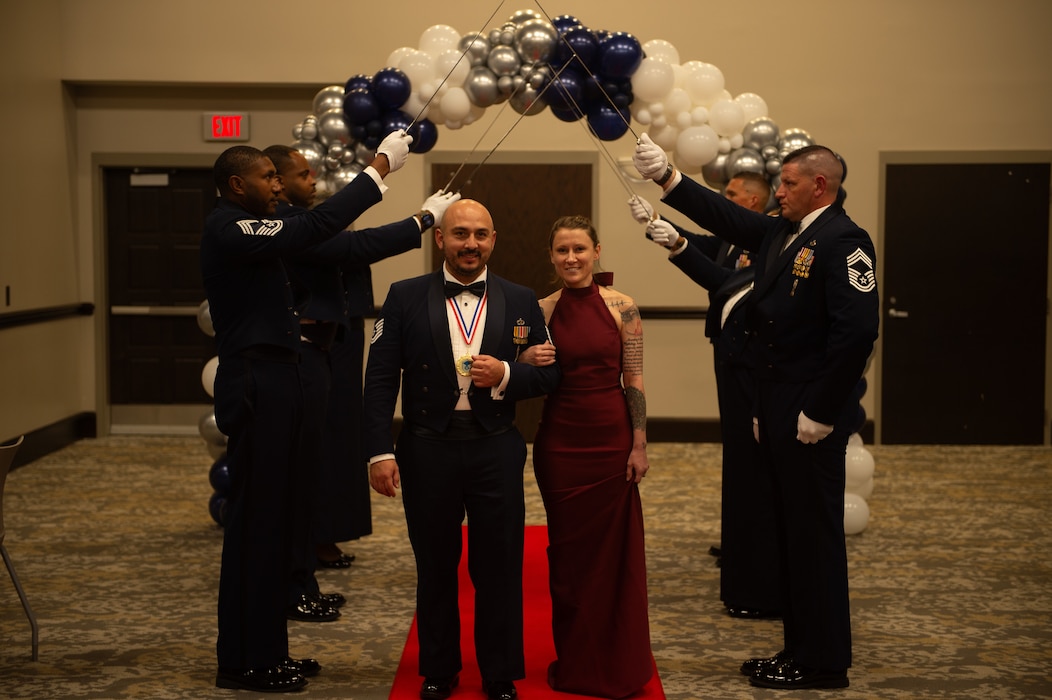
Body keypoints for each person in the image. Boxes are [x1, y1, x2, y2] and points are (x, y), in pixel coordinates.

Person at [634, 135, 878, 690]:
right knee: (792, 533)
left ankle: (822, 661)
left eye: (788, 184)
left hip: (809, 412)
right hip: (777, 403)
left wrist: (819, 410)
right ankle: (799, 647)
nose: (779, 193)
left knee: (814, 536)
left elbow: (858, 331)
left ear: (820, 185)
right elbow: (726, 218)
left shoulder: (844, 240)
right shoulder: (786, 233)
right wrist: (667, 178)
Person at [202, 129, 411, 693]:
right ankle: (244, 661)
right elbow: (317, 228)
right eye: (268, 178)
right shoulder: (228, 225)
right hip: (257, 380)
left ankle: (268, 650)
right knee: (257, 527)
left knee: (281, 520)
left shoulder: (258, 226)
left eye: (279, 177)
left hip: (282, 376)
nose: (278, 186)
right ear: (237, 184)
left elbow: (323, 238)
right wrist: (378, 169)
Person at [363, 199, 561, 700]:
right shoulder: (403, 296)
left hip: (494, 447)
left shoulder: (521, 299)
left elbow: (551, 373)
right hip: (426, 448)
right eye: (460, 234)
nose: (470, 244)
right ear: (440, 239)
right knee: (434, 564)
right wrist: (378, 451)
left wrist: (509, 373)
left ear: (493, 240)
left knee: (498, 566)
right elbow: (380, 380)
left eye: (479, 235)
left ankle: (498, 673)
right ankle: (439, 668)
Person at [262, 144, 459, 624]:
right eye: (298, 175)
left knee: (313, 466)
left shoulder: (298, 219)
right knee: (297, 475)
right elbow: (353, 247)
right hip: (296, 356)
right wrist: (421, 220)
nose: (311, 181)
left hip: (321, 349)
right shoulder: (286, 224)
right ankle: (294, 582)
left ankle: (301, 577)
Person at [629, 171, 782, 620]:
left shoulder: (769, 241)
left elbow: (725, 282)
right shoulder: (735, 237)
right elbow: (710, 247)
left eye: (731, 197)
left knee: (752, 467)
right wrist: (662, 226)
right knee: (737, 461)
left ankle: (755, 568)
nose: (724, 200)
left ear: (751, 204)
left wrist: (675, 244)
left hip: (754, 365)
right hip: (731, 354)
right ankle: (739, 551)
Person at [519, 215, 653, 698]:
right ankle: (577, 663)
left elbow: (633, 380)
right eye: (561, 251)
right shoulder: (540, 309)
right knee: (570, 561)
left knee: (614, 558)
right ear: (551, 257)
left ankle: (617, 664)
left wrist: (638, 443)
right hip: (560, 443)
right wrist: (525, 360)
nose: (571, 258)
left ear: (597, 251)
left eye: (579, 249)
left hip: (612, 438)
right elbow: (518, 371)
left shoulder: (624, 308)